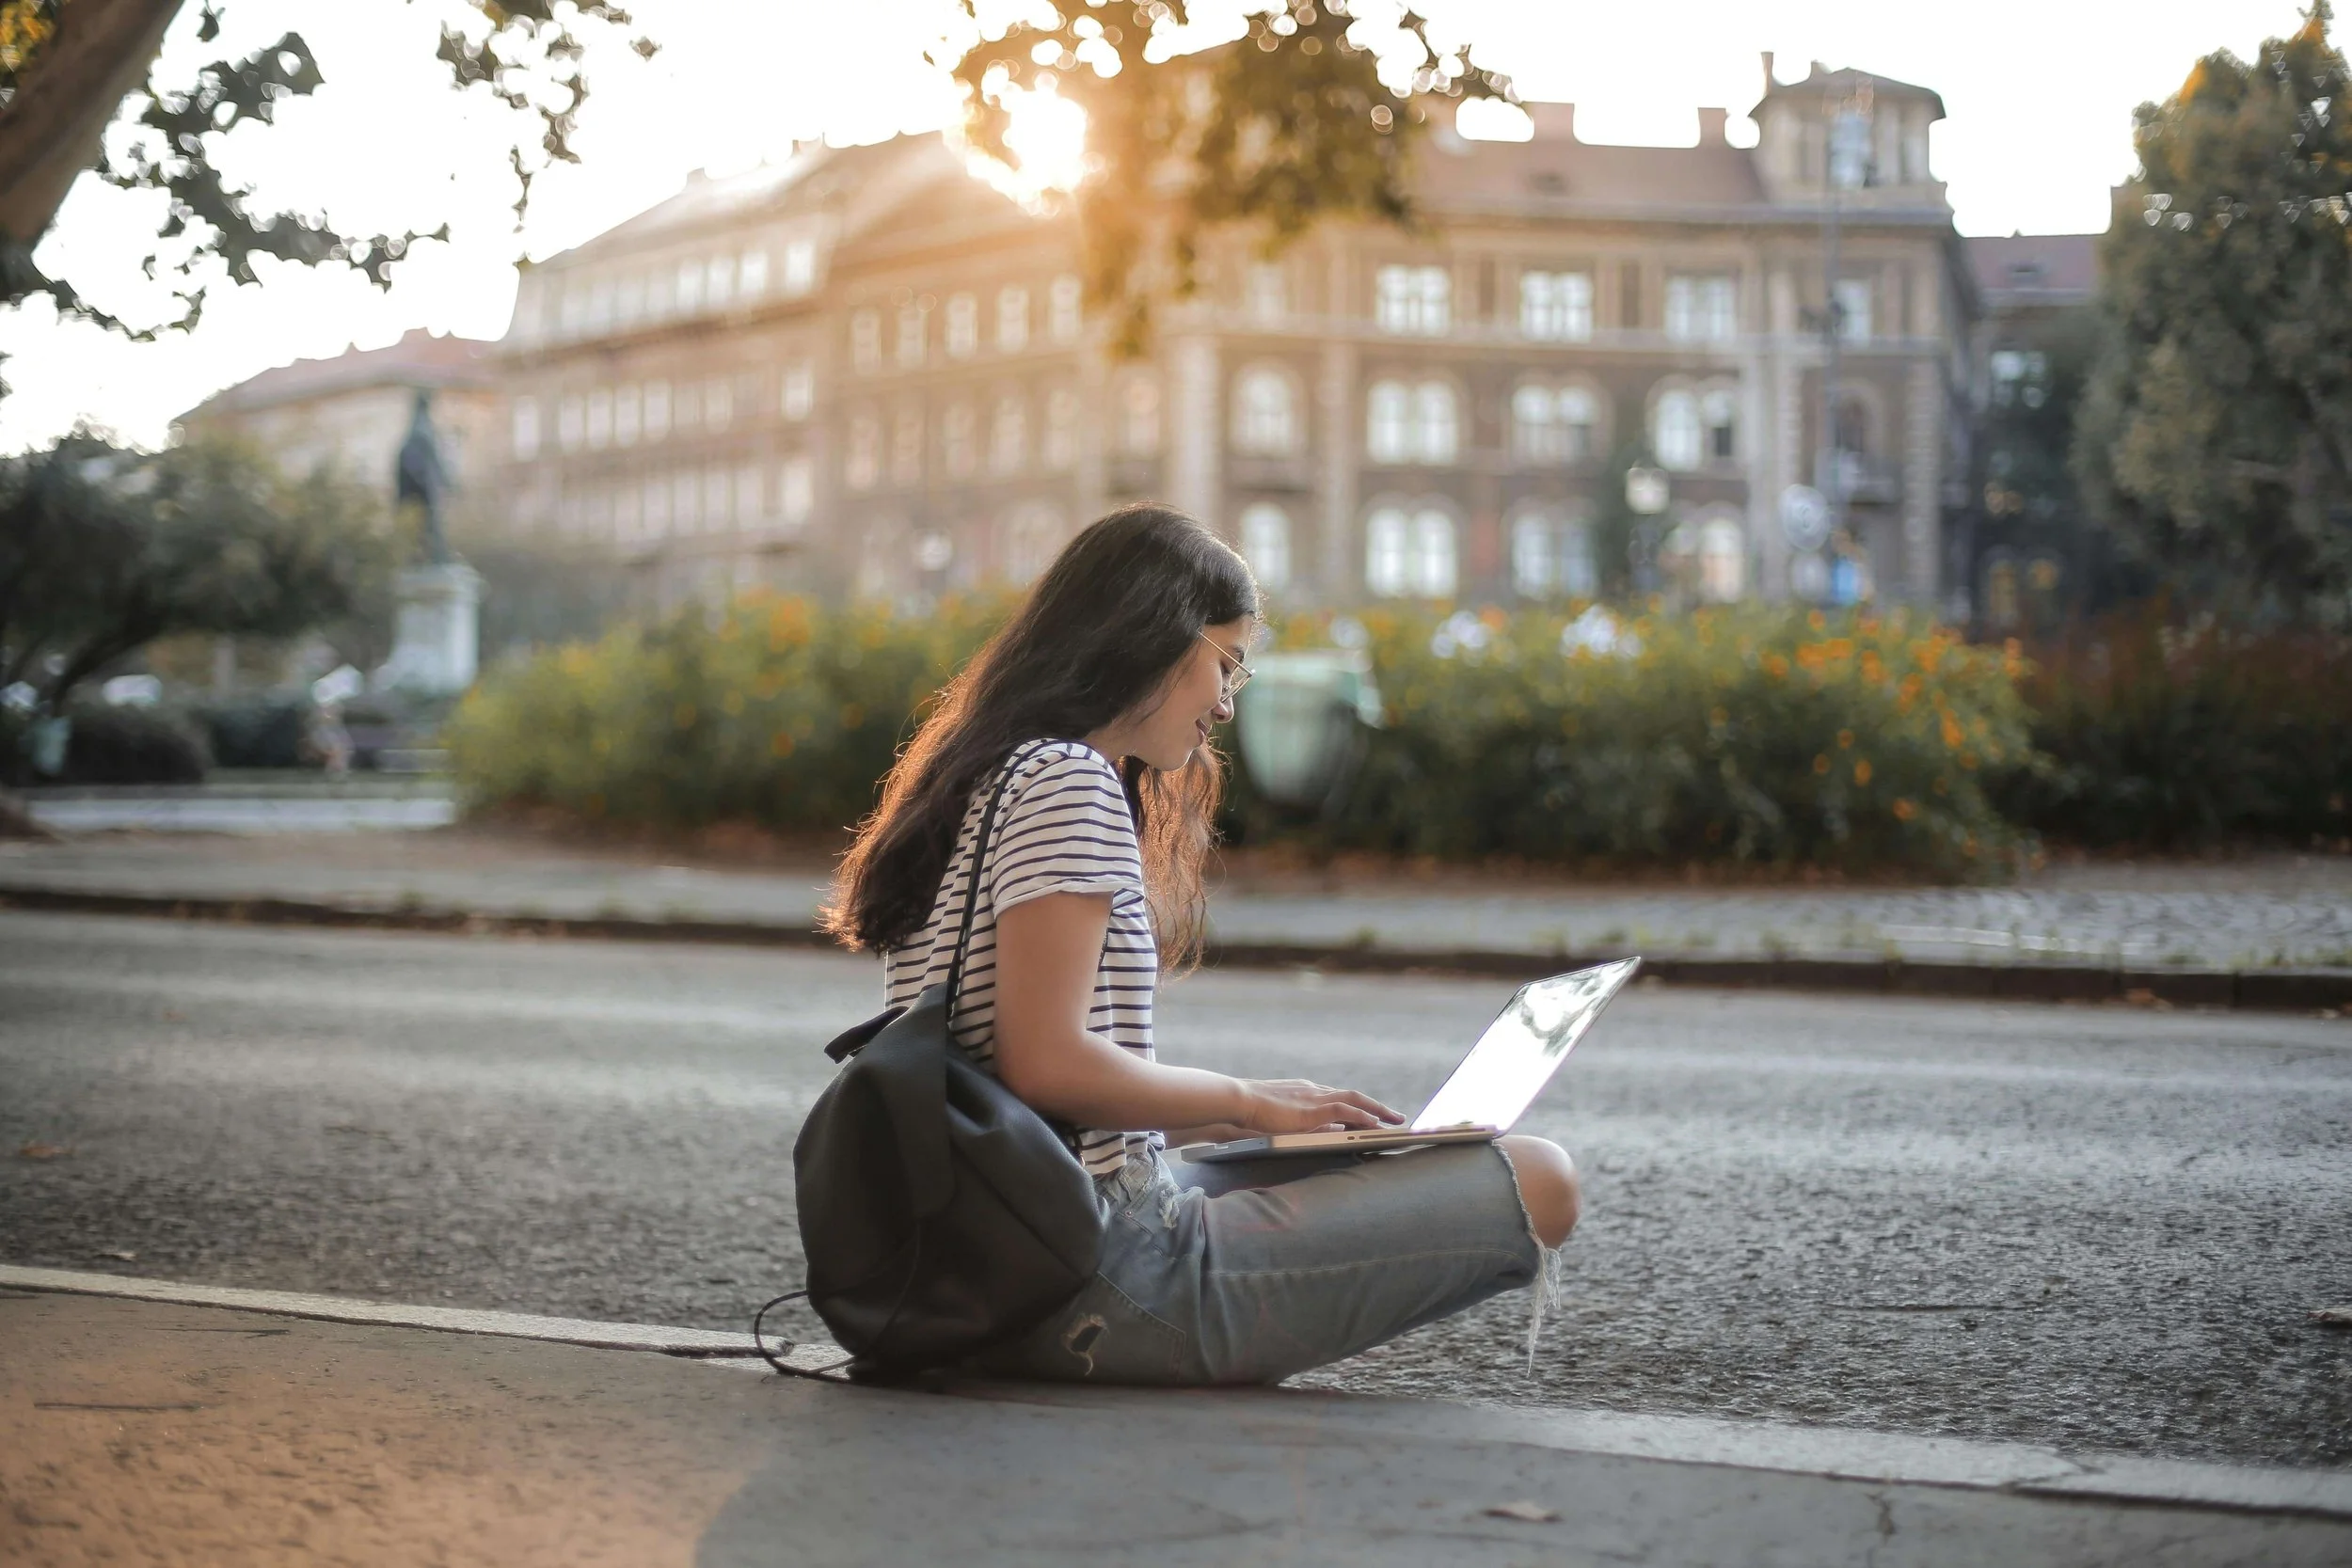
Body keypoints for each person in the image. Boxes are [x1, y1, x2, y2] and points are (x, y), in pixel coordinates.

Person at [823, 504, 1581, 1385]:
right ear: (1149, 636)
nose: (1225, 703)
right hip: (1084, 1276)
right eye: (1223, 664)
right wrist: (1254, 1108)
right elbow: (1045, 1064)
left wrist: (1253, 1105)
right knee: (1539, 1178)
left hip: (993, 1245)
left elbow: (1009, 1068)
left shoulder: (978, 775)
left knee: (1367, 1158)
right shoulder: (1070, 778)